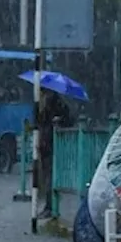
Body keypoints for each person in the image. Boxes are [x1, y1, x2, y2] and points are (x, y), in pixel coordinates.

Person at [35, 89, 74, 218]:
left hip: (50, 144)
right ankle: (50, 205)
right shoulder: (50, 103)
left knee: (50, 176)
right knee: (48, 175)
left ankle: (50, 206)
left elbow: (45, 122)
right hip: (47, 144)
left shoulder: (53, 103)